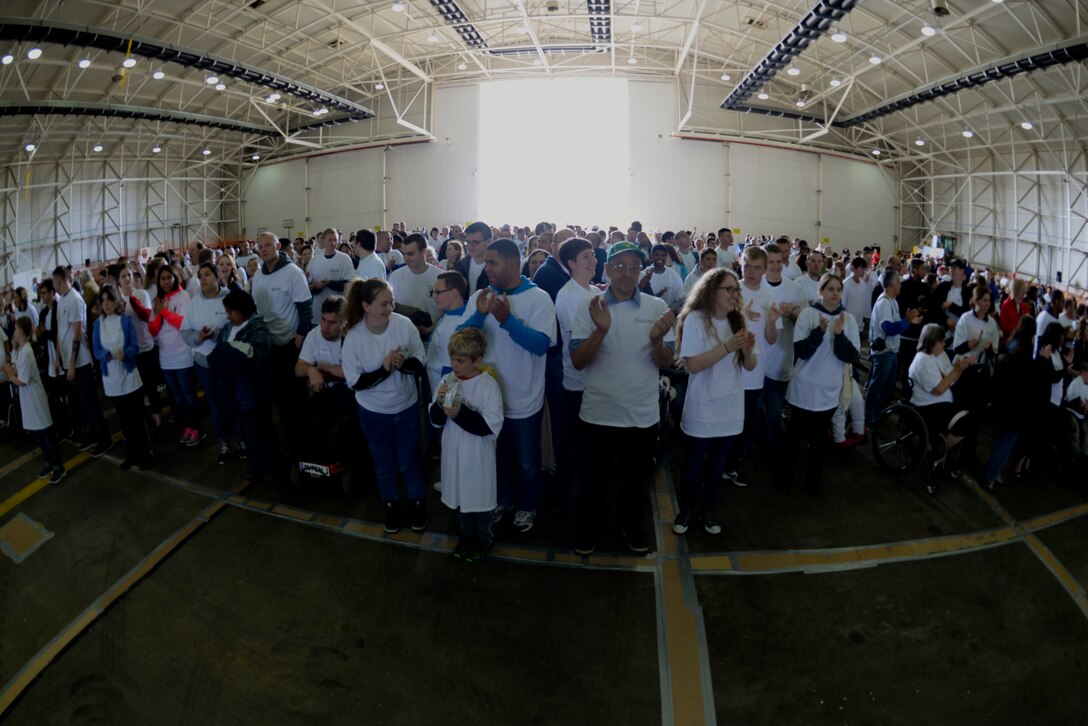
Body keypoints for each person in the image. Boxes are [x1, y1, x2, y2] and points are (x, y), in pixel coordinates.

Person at [570, 241, 675, 555]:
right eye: (619, 266)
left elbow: (666, 362)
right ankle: (589, 529)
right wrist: (600, 332)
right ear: (607, 269)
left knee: (635, 482)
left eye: (633, 266)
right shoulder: (590, 306)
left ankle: (631, 527)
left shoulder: (656, 308)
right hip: (597, 413)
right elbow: (578, 361)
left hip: (641, 415)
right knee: (592, 482)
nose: (627, 273)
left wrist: (657, 342)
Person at [458, 238, 556, 533]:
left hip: (524, 400)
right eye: (486, 263)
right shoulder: (483, 295)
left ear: (513, 263)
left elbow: (541, 345)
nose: (486, 268)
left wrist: (507, 320)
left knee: (527, 461)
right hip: (488, 399)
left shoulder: (538, 299)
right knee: (497, 457)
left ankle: (527, 505)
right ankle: (504, 499)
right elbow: (461, 337)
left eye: (492, 262)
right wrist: (479, 314)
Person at [341, 278, 428, 534]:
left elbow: (420, 362)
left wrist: (404, 364)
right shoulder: (355, 337)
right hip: (373, 411)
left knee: (410, 459)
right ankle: (391, 505)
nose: (390, 308)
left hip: (406, 406)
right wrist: (385, 368)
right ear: (366, 305)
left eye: (391, 302)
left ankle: (417, 502)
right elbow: (356, 382)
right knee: (383, 461)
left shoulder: (403, 325)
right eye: (383, 304)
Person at [673, 268, 755, 536]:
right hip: (702, 406)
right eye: (729, 289)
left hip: (730, 407)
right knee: (693, 464)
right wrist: (729, 347)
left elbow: (750, 366)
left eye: (736, 290)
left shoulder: (739, 320)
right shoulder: (696, 319)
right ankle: (685, 509)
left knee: (717, 466)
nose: (734, 294)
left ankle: (708, 509)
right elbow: (694, 365)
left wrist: (747, 350)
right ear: (712, 291)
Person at [777, 273, 860, 495]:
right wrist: (820, 332)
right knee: (794, 438)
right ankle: (785, 478)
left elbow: (851, 355)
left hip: (828, 391)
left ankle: (813, 481)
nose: (835, 293)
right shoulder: (808, 314)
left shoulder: (847, 320)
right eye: (830, 288)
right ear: (821, 291)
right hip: (803, 388)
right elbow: (802, 352)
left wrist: (839, 334)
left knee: (819, 441)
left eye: (838, 289)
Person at [429, 328, 504, 563]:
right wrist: (440, 404)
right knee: (461, 498)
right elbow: (434, 418)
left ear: (477, 360)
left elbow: (490, 427)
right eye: (453, 358)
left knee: (479, 502)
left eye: (460, 360)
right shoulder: (447, 380)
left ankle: (485, 539)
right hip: (454, 452)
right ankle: (466, 537)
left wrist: (459, 413)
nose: (455, 365)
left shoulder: (488, 385)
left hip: (477, 455)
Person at [722, 245, 779, 485]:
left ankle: (731, 467)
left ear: (765, 269)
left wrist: (772, 322)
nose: (751, 272)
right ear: (740, 264)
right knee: (723, 421)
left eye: (757, 268)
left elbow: (771, 339)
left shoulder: (769, 298)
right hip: (728, 368)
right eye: (747, 266)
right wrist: (738, 311)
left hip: (754, 372)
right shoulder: (730, 292)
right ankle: (716, 465)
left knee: (745, 426)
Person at [251, 231, 313, 446]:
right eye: (261, 246)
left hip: (290, 343)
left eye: (269, 244)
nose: (264, 249)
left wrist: (300, 337)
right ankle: (289, 438)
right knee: (280, 397)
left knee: (296, 396)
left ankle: (305, 439)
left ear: (278, 246)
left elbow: (305, 308)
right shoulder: (258, 275)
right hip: (269, 345)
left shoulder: (292, 273)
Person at [552, 238, 600, 510]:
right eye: (585, 256)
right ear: (571, 263)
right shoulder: (569, 296)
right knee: (576, 443)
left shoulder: (590, 290)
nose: (593, 260)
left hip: (595, 381)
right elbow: (582, 343)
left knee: (587, 444)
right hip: (578, 383)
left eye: (592, 254)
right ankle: (567, 496)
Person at [209, 289, 275, 485]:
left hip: (256, 389)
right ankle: (255, 468)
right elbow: (219, 354)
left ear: (243, 310)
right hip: (236, 389)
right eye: (227, 312)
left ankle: (270, 468)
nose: (229, 316)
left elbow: (258, 357)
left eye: (231, 312)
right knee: (247, 432)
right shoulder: (228, 328)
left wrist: (231, 356)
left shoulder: (258, 328)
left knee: (262, 429)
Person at [52, 266, 112, 456]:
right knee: (82, 405)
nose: (53, 285)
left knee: (91, 403)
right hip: (69, 362)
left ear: (60, 281)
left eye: (54, 281)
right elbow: (62, 332)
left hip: (80, 362)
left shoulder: (75, 300)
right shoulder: (62, 301)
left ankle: (104, 439)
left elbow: (77, 334)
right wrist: (59, 359)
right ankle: (92, 435)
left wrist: (71, 364)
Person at [92, 285, 152, 470]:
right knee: (124, 420)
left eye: (109, 299)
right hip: (112, 380)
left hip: (128, 376)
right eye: (103, 300)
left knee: (137, 418)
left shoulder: (125, 320)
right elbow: (97, 351)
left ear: (115, 301)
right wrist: (106, 356)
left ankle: (145, 453)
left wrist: (126, 354)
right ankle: (132, 454)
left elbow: (135, 346)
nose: (106, 304)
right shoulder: (97, 324)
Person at [908, 323, 975, 488]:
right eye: (941, 341)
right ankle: (937, 451)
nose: (944, 345)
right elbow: (938, 389)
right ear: (931, 342)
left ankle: (944, 449)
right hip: (927, 406)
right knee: (965, 424)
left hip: (943, 400)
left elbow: (950, 381)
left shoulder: (940, 354)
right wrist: (957, 369)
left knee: (971, 414)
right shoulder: (923, 361)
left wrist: (957, 369)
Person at [3, 317, 65, 483]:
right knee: (39, 436)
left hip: (35, 400)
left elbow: (21, 380)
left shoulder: (28, 351)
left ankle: (58, 466)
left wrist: (9, 374)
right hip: (29, 401)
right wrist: (11, 369)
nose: (13, 333)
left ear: (21, 331)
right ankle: (48, 463)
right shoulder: (21, 350)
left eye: (15, 329)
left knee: (47, 435)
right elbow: (16, 369)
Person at [181, 263, 232, 462]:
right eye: (200, 276)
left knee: (231, 401)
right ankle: (223, 442)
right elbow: (185, 332)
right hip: (204, 364)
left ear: (217, 275)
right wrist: (200, 338)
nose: (203, 279)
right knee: (214, 404)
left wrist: (216, 335)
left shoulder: (229, 297)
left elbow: (240, 327)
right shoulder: (194, 303)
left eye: (207, 274)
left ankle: (241, 438)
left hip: (227, 361)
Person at [149, 264, 205, 446]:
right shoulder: (157, 299)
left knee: (189, 395)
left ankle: (198, 429)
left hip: (183, 355)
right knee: (179, 398)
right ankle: (189, 427)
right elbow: (153, 330)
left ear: (175, 278)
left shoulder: (184, 296)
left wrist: (164, 311)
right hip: (166, 357)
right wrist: (158, 312)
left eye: (169, 277)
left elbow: (183, 323)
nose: (166, 282)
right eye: (162, 278)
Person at [760, 241, 805, 448]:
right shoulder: (754, 286)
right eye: (771, 262)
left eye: (779, 261)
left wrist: (792, 315)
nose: (776, 266)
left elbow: (806, 324)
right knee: (753, 411)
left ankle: (772, 448)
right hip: (757, 362)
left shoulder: (794, 289)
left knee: (775, 410)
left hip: (782, 359)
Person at [866, 269, 923, 426]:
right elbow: (889, 328)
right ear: (891, 284)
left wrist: (909, 321)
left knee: (886, 387)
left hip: (891, 351)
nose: (900, 285)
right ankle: (869, 416)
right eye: (898, 282)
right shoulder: (884, 302)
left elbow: (896, 326)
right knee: (878, 386)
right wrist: (906, 321)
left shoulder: (892, 301)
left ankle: (878, 413)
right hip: (884, 352)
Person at [118, 264, 163, 431]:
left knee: (150, 387)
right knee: (137, 390)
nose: (127, 278)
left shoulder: (141, 294)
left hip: (145, 348)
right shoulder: (117, 301)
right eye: (123, 276)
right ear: (118, 280)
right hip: (130, 352)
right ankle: (144, 421)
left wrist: (131, 299)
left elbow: (146, 316)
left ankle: (158, 421)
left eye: (129, 275)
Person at [388, 233, 443, 337]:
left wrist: (430, 329)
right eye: (403, 254)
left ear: (424, 252)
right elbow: (391, 308)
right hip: (404, 334)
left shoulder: (440, 277)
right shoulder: (395, 276)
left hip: (434, 335)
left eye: (410, 254)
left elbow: (446, 311)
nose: (405, 258)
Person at [306, 227, 356, 323]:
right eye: (329, 240)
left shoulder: (344, 259)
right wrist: (317, 287)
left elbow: (349, 285)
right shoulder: (314, 260)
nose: (333, 243)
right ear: (323, 241)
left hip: (339, 311)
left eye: (335, 240)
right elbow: (309, 287)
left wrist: (329, 283)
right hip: (318, 311)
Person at [455, 221, 492, 293]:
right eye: (468, 242)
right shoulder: (461, 265)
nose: (470, 246)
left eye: (475, 242)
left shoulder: (497, 268)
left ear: (489, 242)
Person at [1064, 361, 1088, 469]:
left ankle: (1085, 454)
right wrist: (1082, 404)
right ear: (1082, 372)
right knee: (1075, 428)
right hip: (1072, 412)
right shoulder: (1075, 383)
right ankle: (1076, 454)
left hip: (1084, 414)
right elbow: (1069, 399)